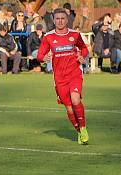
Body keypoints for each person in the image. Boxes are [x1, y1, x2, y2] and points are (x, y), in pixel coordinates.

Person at [36, 8, 90, 145]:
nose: (60, 21)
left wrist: (81, 56)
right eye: (57, 19)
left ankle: (83, 128)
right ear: (54, 20)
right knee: (69, 108)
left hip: (74, 73)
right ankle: (78, 132)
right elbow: (39, 56)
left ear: (67, 20)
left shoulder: (75, 35)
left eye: (63, 18)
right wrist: (45, 57)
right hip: (59, 78)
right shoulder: (48, 37)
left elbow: (84, 49)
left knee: (75, 99)